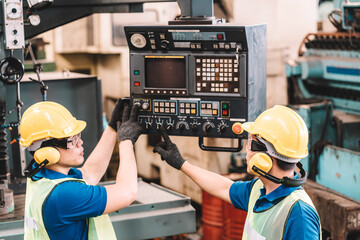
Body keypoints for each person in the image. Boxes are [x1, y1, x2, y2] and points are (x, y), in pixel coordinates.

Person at [153, 105, 322, 240]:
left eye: (250, 144)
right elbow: (223, 187)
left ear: (266, 156)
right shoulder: (258, 190)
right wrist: (181, 163)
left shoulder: (299, 214)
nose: (246, 152)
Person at [19, 100, 142, 240]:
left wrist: (113, 128)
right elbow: (128, 192)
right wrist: (126, 141)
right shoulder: (63, 194)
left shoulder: (41, 174)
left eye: (78, 136)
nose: (80, 143)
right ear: (48, 151)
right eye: (71, 140)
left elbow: (90, 173)